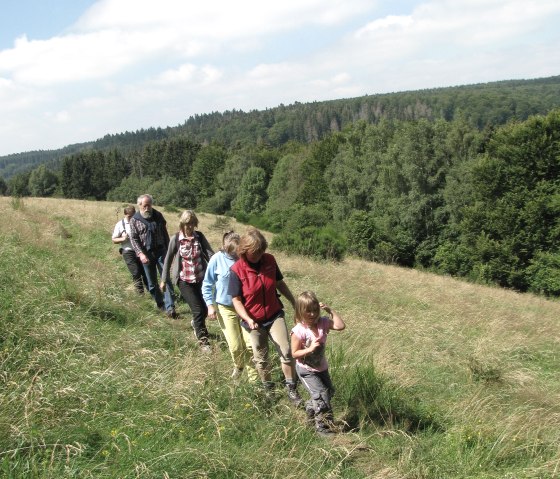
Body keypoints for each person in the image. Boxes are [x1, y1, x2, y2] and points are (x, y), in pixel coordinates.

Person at [228, 227, 302, 405]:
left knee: (286, 350)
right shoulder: (236, 270)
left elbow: (279, 283)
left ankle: (291, 388)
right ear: (245, 251)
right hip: (253, 321)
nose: (259, 256)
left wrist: (293, 301)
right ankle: (268, 389)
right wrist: (248, 319)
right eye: (255, 252)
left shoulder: (269, 260)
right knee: (261, 359)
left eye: (261, 251)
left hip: (274, 314)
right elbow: (236, 300)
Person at [202, 231, 258, 382]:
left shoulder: (245, 259)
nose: (235, 257)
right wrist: (210, 305)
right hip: (226, 308)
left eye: (237, 253)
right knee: (235, 346)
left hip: (245, 308)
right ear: (225, 248)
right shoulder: (216, 259)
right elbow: (207, 284)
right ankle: (238, 367)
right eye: (231, 253)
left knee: (250, 345)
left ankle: (254, 381)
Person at [291, 291, 345, 435]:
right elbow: (294, 353)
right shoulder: (299, 331)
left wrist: (330, 310)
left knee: (329, 392)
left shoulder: (323, 323)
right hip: (306, 370)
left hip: (321, 368)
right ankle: (323, 428)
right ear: (300, 311)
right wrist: (309, 349)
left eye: (315, 310)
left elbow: (340, 326)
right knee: (322, 397)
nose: (313, 314)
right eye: (308, 311)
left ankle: (310, 408)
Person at [161, 210, 214, 351]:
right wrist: (163, 280)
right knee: (197, 310)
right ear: (182, 224)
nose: (189, 226)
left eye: (192, 223)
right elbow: (167, 260)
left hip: (201, 279)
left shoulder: (199, 237)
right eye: (186, 223)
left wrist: (220, 265)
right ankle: (204, 342)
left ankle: (196, 324)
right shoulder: (176, 239)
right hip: (184, 280)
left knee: (203, 309)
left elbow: (209, 254)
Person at [129, 194, 177, 318]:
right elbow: (134, 239)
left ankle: (170, 307)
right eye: (145, 206)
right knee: (151, 283)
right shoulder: (134, 220)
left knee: (165, 279)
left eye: (149, 205)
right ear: (139, 205)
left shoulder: (158, 215)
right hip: (146, 254)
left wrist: (169, 251)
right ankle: (160, 303)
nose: (147, 208)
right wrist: (140, 254)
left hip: (161, 252)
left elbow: (165, 234)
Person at [112, 205, 148, 294]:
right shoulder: (120, 224)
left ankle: (152, 292)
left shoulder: (138, 222)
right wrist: (123, 239)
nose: (131, 218)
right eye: (129, 216)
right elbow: (114, 239)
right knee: (136, 272)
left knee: (145, 272)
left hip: (140, 251)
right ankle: (140, 295)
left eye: (133, 215)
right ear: (125, 214)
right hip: (128, 251)